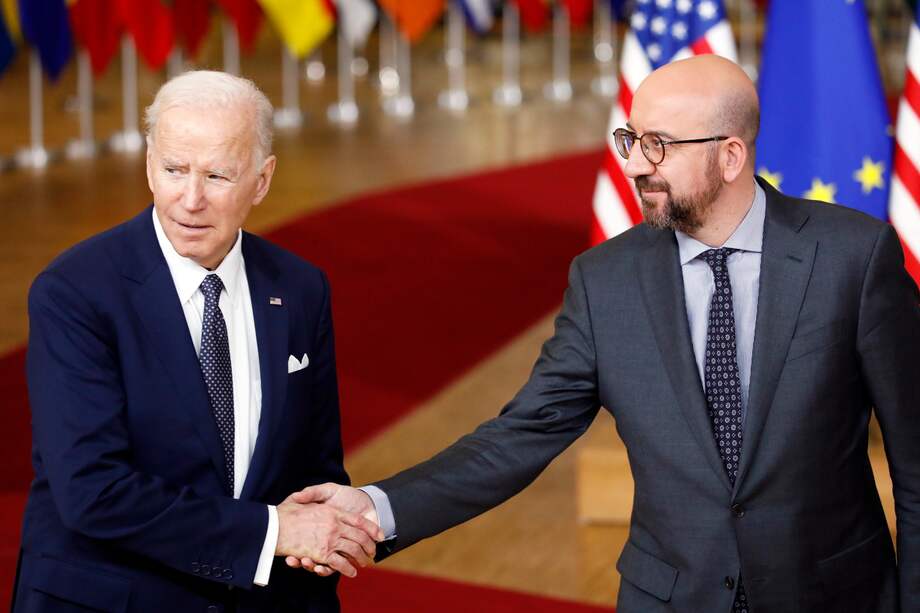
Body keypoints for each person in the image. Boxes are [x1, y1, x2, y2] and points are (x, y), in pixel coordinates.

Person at [290, 55, 920, 612]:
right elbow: (520, 435)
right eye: (629, 139)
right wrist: (377, 507)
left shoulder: (853, 259)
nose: (635, 165)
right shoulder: (604, 280)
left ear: (730, 155)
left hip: (835, 593)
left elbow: (915, 460)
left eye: (658, 145)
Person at [13, 71, 382, 613]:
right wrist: (269, 533)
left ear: (262, 180)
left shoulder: (300, 288)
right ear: (147, 166)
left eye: (217, 176)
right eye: (173, 170)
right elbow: (93, 491)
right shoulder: (74, 292)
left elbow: (314, 471)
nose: (190, 200)